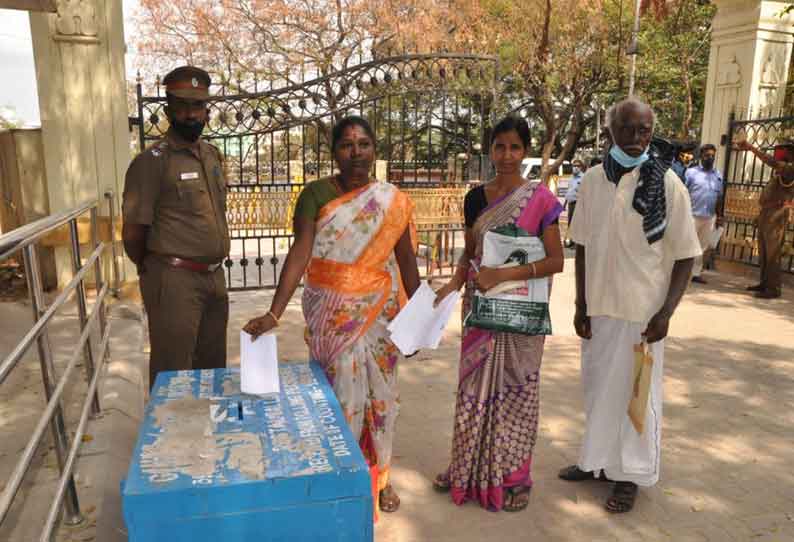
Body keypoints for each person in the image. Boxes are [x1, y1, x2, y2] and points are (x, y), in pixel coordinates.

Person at [243, 115, 420, 514]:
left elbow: (407, 261)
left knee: (382, 400)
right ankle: (342, 477)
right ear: (334, 152)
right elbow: (300, 252)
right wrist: (275, 312)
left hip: (379, 316)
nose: (356, 153)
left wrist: (419, 321)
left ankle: (382, 479)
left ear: (375, 149)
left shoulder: (394, 201)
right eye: (346, 145)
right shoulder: (315, 195)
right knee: (340, 400)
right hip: (332, 316)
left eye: (364, 144)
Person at [558, 98, 701, 513]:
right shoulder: (592, 181)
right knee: (598, 391)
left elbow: (686, 254)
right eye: (628, 130)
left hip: (643, 316)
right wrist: (581, 304)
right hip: (600, 310)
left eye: (644, 131)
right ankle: (597, 461)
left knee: (637, 398)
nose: (637, 139)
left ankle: (630, 477)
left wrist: (666, 313)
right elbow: (582, 245)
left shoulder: (667, 183)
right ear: (610, 133)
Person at [432, 116, 564, 512]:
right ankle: (466, 466)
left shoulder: (541, 200)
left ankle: (515, 477)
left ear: (526, 151)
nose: (506, 155)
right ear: (489, 150)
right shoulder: (475, 198)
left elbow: (556, 260)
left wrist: (505, 274)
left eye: (515, 147)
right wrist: (453, 285)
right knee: (473, 388)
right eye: (499, 147)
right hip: (481, 307)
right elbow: (470, 252)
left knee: (517, 392)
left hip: (521, 313)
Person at [122, 66, 230, 390]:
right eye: (182, 106)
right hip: (174, 279)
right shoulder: (152, 161)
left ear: (207, 111)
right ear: (168, 110)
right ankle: (170, 440)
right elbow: (133, 233)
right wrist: (155, 270)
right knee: (174, 376)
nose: (191, 114)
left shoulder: (211, 156)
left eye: (197, 106)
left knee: (212, 372)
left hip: (214, 277)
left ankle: (207, 437)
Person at [734, 139, 794, 299]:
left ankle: (773, 289)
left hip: (777, 214)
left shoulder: (790, 169)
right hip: (767, 213)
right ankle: (764, 283)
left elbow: (772, 162)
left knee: (773, 253)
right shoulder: (780, 173)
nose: (780, 152)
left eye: (784, 150)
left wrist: (751, 148)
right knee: (764, 251)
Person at [685, 144, 723, 284]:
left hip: (709, 217)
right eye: (707, 155)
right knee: (687, 245)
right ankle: (681, 272)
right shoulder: (691, 173)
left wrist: (719, 216)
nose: (710, 158)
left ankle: (695, 273)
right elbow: (683, 193)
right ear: (701, 156)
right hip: (692, 216)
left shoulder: (717, 175)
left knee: (702, 247)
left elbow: (719, 197)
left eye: (712, 156)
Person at [564, 159, 586, 248]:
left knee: (577, 223)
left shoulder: (584, 177)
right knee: (570, 223)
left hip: (578, 203)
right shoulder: (571, 178)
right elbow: (569, 191)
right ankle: (572, 242)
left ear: (581, 167)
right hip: (570, 203)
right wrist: (564, 204)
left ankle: (577, 244)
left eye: (578, 166)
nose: (575, 168)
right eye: (574, 166)